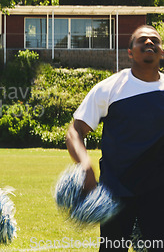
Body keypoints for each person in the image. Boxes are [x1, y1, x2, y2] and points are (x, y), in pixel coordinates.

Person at [66, 25, 164, 251]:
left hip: (159, 193)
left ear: (162, 52)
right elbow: (75, 131)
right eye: (142, 40)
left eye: (154, 40)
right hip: (116, 193)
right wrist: (85, 166)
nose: (149, 43)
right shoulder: (110, 88)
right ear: (130, 52)